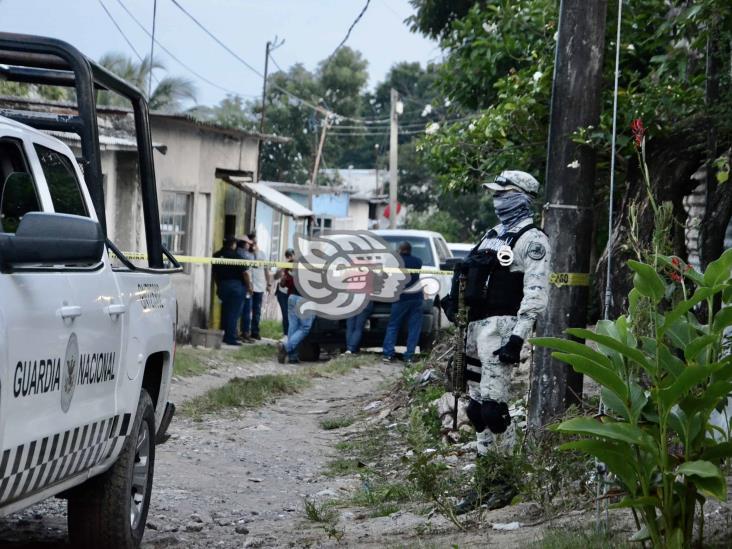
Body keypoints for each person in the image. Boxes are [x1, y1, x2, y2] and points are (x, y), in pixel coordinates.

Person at [457, 170, 551, 513]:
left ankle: (508, 479)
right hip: (475, 329)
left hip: (502, 330)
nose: (498, 198)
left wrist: (517, 338)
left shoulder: (532, 239)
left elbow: (536, 294)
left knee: (494, 410)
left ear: (521, 197)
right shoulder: (491, 235)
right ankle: (485, 481)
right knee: (476, 410)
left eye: (504, 192)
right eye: (496, 193)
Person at [382, 241, 423, 364]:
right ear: (410, 250)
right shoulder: (418, 261)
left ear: (400, 250)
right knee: (414, 328)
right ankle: (409, 356)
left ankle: (389, 354)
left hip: (401, 297)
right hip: (416, 297)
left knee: (393, 326)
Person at [277, 253, 315, 364]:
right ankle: (286, 347)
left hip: (292, 298)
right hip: (303, 300)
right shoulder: (313, 271)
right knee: (305, 327)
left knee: (293, 327)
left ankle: (293, 357)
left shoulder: (298, 270)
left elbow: (285, 283)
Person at [212, 236, 249, 346]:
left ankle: (223, 334)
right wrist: (249, 287)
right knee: (233, 313)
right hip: (236, 287)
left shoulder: (216, 255)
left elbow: (214, 273)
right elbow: (245, 273)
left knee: (225, 311)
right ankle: (230, 338)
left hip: (222, 285)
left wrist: (218, 286)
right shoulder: (237, 256)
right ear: (233, 244)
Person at [243, 232, 272, 340]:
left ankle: (255, 331)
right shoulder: (245, 255)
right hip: (248, 286)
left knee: (257, 311)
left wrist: (269, 284)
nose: (253, 245)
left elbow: (267, 270)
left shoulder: (262, 254)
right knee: (246, 310)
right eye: (251, 243)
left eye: (254, 242)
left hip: (259, 286)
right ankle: (245, 331)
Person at [236, 236, 255, 342]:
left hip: (244, 284)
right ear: (244, 244)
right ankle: (243, 333)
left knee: (244, 311)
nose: (250, 245)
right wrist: (249, 286)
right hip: (244, 285)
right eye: (248, 243)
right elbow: (247, 272)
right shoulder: (245, 255)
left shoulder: (239, 253)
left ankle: (242, 332)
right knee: (243, 311)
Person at [274, 248, 295, 336]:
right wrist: (281, 269)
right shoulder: (284, 265)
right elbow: (275, 277)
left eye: (291, 256)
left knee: (292, 314)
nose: (289, 258)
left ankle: (291, 333)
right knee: (285, 314)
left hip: (292, 293)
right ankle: (286, 334)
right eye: (287, 256)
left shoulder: (297, 265)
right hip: (282, 293)